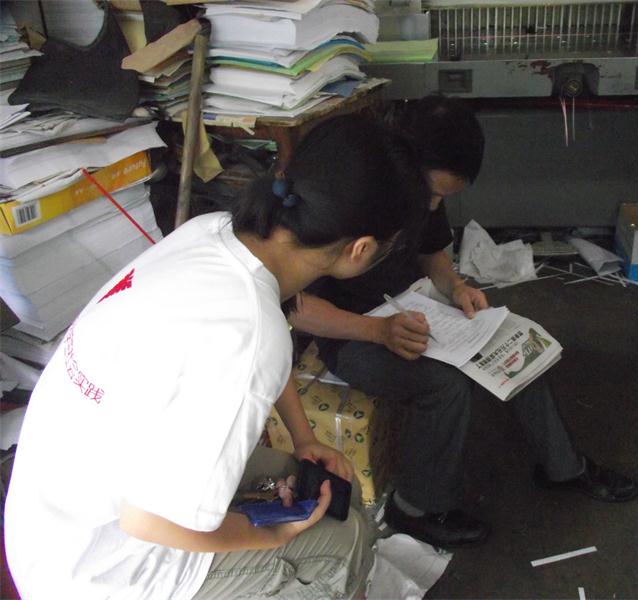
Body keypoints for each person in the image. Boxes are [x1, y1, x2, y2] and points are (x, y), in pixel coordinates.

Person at [4, 115, 428, 600]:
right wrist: (270, 535)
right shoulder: (249, 331)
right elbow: (148, 521)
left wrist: (304, 436)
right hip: (100, 572)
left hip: (49, 524)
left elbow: (258, 338)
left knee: (316, 492)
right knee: (343, 541)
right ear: (361, 249)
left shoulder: (217, 232)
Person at [289, 96, 638, 549]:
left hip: (413, 305)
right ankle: (414, 508)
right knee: (444, 386)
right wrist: (375, 330)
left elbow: (429, 249)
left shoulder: (422, 190)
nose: (433, 204)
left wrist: (455, 287)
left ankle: (563, 467)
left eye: (444, 197)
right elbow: (297, 307)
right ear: (402, 162)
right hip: (349, 330)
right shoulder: (351, 197)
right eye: (430, 192)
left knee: (515, 343)